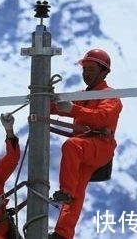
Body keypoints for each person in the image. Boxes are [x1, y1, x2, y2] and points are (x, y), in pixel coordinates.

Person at [49, 48, 123, 239]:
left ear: (104, 72)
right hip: (85, 149)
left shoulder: (110, 96)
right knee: (77, 190)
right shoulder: (83, 96)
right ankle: (62, 234)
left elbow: (101, 118)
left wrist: (73, 109)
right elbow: (56, 108)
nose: (86, 73)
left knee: (71, 146)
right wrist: (45, 98)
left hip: (100, 146)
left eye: (91, 69)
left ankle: (65, 192)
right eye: (85, 69)